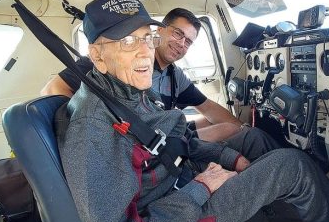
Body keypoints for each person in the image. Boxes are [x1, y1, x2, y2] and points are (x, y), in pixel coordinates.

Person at [56, 0, 329, 222]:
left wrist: (228, 156)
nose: (144, 50)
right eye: (128, 41)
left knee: (255, 141)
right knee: (291, 166)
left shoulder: (130, 93)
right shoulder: (92, 133)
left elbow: (175, 143)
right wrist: (202, 188)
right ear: (97, 55)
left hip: (175, 183)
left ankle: (291, 204)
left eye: (147, 37)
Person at [42, 7, 266, 144]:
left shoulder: (173, 75)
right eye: (178, 34)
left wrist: (242, 127)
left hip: (166, 132)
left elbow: (207, 106)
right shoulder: (108, 61)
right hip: (142, 141)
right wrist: (92, 135)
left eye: (188, 41)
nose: (181, 44)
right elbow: (52, 90)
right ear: (159, 31)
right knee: (232, 131)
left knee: (227, 125)